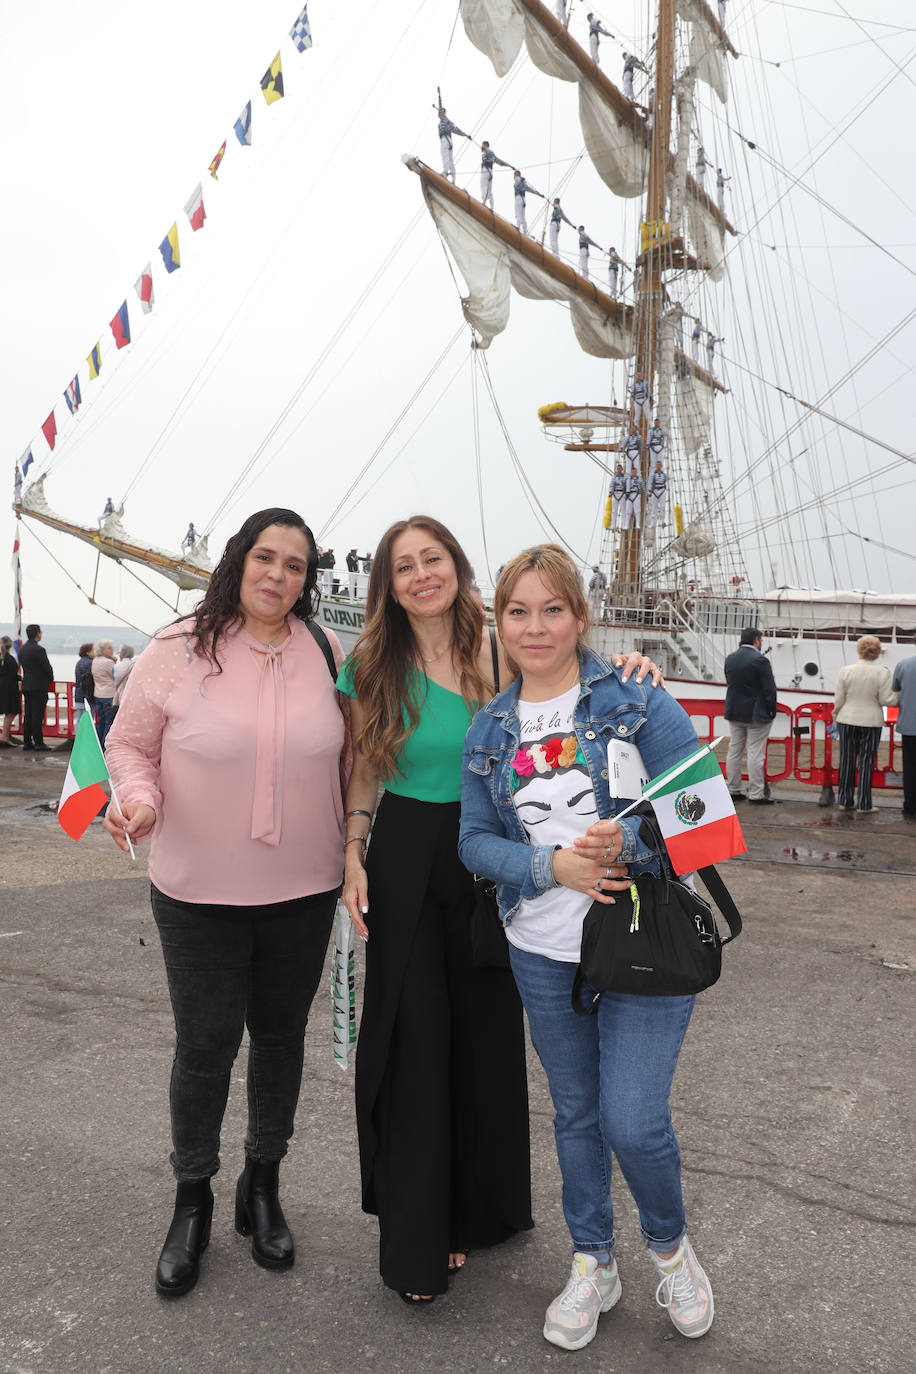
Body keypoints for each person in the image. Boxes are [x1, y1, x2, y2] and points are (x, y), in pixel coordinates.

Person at [338, 515, 659, 1305]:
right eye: (404, 565)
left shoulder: (498, 644)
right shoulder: (371, 661)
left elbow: (574, 681)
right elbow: (366, 768)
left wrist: (631, 663)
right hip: (410, 853)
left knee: (483, 1041)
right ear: (389, 580)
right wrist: (352, 845)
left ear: (456, 566)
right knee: (414, 1042)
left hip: (500, 857)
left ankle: (483, 1211)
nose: (421, 575)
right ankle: (422, 1235)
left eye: (433, 559)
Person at [459, 544, 715, 1352]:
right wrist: (549, 866)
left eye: (552, 609)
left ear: (581, 614)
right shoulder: (490, 725)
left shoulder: (634, 697)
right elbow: (472, 841)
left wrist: (632, 843)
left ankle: (670, 1250)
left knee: (633, 1121)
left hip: (641, 940)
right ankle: (592, 1259)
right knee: (575, 1113)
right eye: (517, 612)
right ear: (498, 622)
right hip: (541, 950)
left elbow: (705, 815)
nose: (535, 628)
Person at [103, 507, 349, 1299]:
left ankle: (263, 1183)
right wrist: (137, 798)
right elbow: (130, 745)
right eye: (266, 558)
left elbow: (356, 752)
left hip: (305, 890)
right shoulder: (178, 647)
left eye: (296, 565)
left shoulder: (325, 649)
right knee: (205, 1048)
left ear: (308, 580)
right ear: (240, 560)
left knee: (280, 1042)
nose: (278, 575)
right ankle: (193, 1199)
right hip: (196, 892)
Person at [833, 636, 898, 814]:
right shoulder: (882, 672)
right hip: (871, 721)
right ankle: (864, 803)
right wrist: (899, 696)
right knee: (867, 761)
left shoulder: (846, 670)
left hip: (847, 719)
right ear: (877, 652)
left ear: (859, 649)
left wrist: (835, 713)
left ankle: (845, 800)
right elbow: (886, 699)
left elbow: (839, 699)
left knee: (846, 759)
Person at [724, 626, 777, 803]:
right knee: (755, 753)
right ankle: (756, 794)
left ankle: (733, 789)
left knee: (734, 751)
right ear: (756, 640)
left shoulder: (730, 659)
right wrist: (771, 710)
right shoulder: (760, 660)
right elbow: (769, 689)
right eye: (760, 640)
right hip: (756, 714)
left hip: (734, 712)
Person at [19, 624, 54, 752]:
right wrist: (51, 678)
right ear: (37, 634)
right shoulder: (39, 650)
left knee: (28, 715)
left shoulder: (22, 649)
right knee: (37, 716)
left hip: (27, 684)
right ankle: (39, 742)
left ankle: (27, 742)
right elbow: (47, 667)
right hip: (39, 686)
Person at [892, 644, 916, 819]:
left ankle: (910, 805)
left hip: (909, 724)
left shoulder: (903, 665)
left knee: (910, 768)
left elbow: (895, 689)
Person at [91, 640, 118, 747]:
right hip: (109, 694)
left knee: (100, 722)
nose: (113, 650)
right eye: (110, 648)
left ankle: (97, 745)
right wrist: (115, 662)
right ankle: (105, 747)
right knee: (109, 722)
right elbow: (116, 676)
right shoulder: (108, 662)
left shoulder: (95, 660)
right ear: (104, 650)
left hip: (98, 693)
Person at [438, 107, 468, 184]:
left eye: (440, 113)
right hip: (448, 141)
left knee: (445, 155)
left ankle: (445, 172)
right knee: (450, 159)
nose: (438, 114)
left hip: (445, 139)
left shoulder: (445, 120)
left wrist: (439, 96)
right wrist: (465, 135)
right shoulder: (445, 122)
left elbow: (456, 130)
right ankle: (453, 177)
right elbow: (456, 130)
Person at [0, 636, 21, 748]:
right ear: (11, 645)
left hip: (2, 687)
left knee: (7, 712)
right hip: (10, 688)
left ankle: (5, 736)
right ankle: (4, 736)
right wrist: (21, 678)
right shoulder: (10, 659)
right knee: (11, 712)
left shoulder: (2, 658)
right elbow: (14, 675)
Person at [480, 140, 510, 209]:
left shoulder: (488, 152)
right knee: (489, 190)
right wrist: (510, 166)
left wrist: (484, 148)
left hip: (485, 171)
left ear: (485, 145)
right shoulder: (492, 155)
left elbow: (486, 149)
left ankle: (483, 202)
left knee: (483, 186)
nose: (481, 147)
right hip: (490, 172)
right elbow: (501, 162)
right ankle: (492, 206)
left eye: (483, 145)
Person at [73, 641, 95, 728]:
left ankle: (78, 737)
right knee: (88, 718)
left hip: (78, 693)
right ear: (88, 652)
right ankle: (85, 738)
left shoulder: (79, 662)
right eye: (93, 650)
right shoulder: (90, 663)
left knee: (79, 718)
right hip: (88, 694)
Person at [112, 644, 136, 710]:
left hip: (121, 694)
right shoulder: (135, 664)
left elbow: (115, 681)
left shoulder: (118, 666)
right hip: (132, 694)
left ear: (122, 654)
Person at [623, 463, 645, 530]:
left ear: (636, 472)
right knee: (628, 511)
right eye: (632, 472)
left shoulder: (640, 479)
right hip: (629, 495)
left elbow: (643, 487)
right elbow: (624, 486)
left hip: (636, 494)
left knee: (637, 510)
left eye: (635, 472)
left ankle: (638, 524)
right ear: (631, 473)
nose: (634, 473)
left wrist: (645, 494)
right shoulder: (628, 479)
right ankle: (626, 525)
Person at [647, 459, 668, 526]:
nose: (658, 466)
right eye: (657, 465)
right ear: (656, 466)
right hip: (654, 491)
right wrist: (649, 491)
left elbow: (665, 481)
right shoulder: (653, 475)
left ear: (661, 466)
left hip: (662, 491)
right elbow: (650, 482)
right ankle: (652, 523)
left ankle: (663, 521)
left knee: (662, 507)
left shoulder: (664, 475)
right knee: (654, 508)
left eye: (659, 465)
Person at [610, 464, 627, 529]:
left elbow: (626, 485)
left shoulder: (624, 477)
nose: (619, 469)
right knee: (614, 511)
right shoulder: (614, 477)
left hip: (622, 494)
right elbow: (611, 485)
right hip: (615, 494)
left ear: (622, 469)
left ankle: (623, 525)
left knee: (623, 511)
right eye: (618, 468)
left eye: (620, 468)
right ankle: (613, 524)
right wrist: (611, 492)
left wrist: (626, 493)